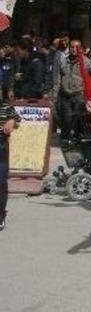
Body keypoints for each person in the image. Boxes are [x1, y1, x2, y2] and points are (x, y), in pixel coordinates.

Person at [52, 41, 91, 142]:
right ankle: (65, 138)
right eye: (71, 47)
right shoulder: (63, 61)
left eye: (76, 47)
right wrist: (54, 95)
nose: (73, 49)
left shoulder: (86, 62)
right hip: (66, 94)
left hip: (79, 94)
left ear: (81, 49)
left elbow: (90, 79)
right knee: (66, 118)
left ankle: (77, 139)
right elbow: (58, 79)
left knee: (79, 118)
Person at [0, 96, 20, 231]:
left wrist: (12, 122)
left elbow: (18, 121)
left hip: (1, 147)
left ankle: (0, 214)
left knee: (1, 182)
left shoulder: (5, 107)